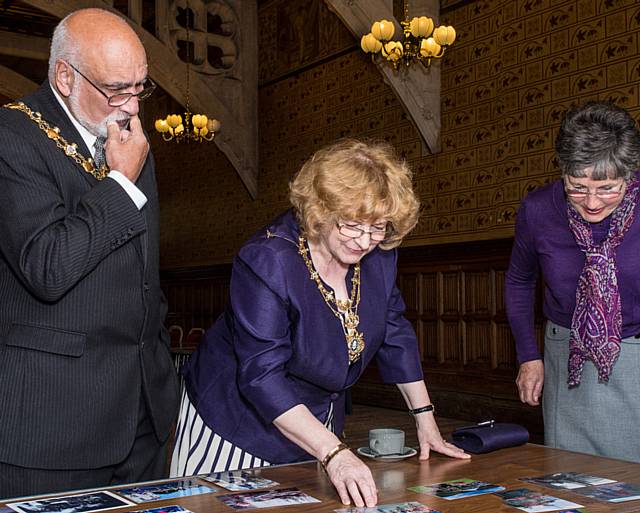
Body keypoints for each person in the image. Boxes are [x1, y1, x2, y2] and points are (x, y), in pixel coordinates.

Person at [171, 139, 469, 507]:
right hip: (236, 418)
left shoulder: (378, 253)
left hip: (315, 420)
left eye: (378, 228)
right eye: (352, 225)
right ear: (321, 210)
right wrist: (334, 453)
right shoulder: (268, 260)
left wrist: (425, 420)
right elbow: (261, 375)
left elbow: (393, 330)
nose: (364, 241)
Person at [0, 8, 179, 497]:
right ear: (64, 76)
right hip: (54, 424)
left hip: (142, 411)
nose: (132, 107)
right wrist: (121, 182)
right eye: (116, 89)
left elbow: (145, 272)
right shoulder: (11, 137)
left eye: (140, 88)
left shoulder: (129, 142)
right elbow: (47, 266)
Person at [505, 101, 640, 461]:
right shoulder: (538, 209)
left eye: (608, 188)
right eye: (577, 187)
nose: (592, 202)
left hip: (636, 348)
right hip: (567, 353)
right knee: (570, 471)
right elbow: (519, 281)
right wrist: (528, 357)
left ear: (629, 174)